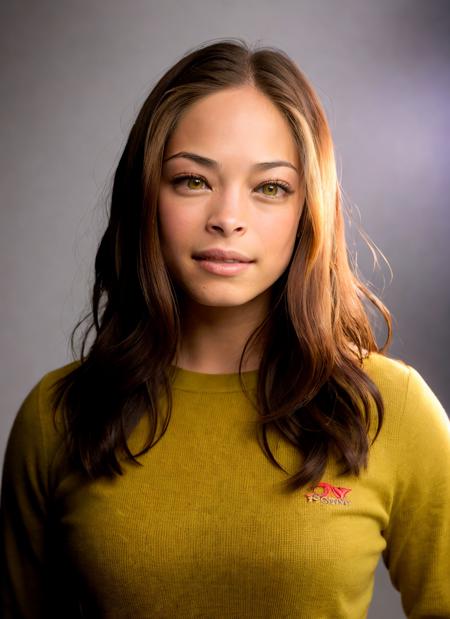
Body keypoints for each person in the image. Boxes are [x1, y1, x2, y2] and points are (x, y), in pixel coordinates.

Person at [1, 38, 449, 619]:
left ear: (307, 209)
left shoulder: (391, 408)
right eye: (193, 180)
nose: (227, 219)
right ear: (146, 195)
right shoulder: (58, 416)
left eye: (270, 188)